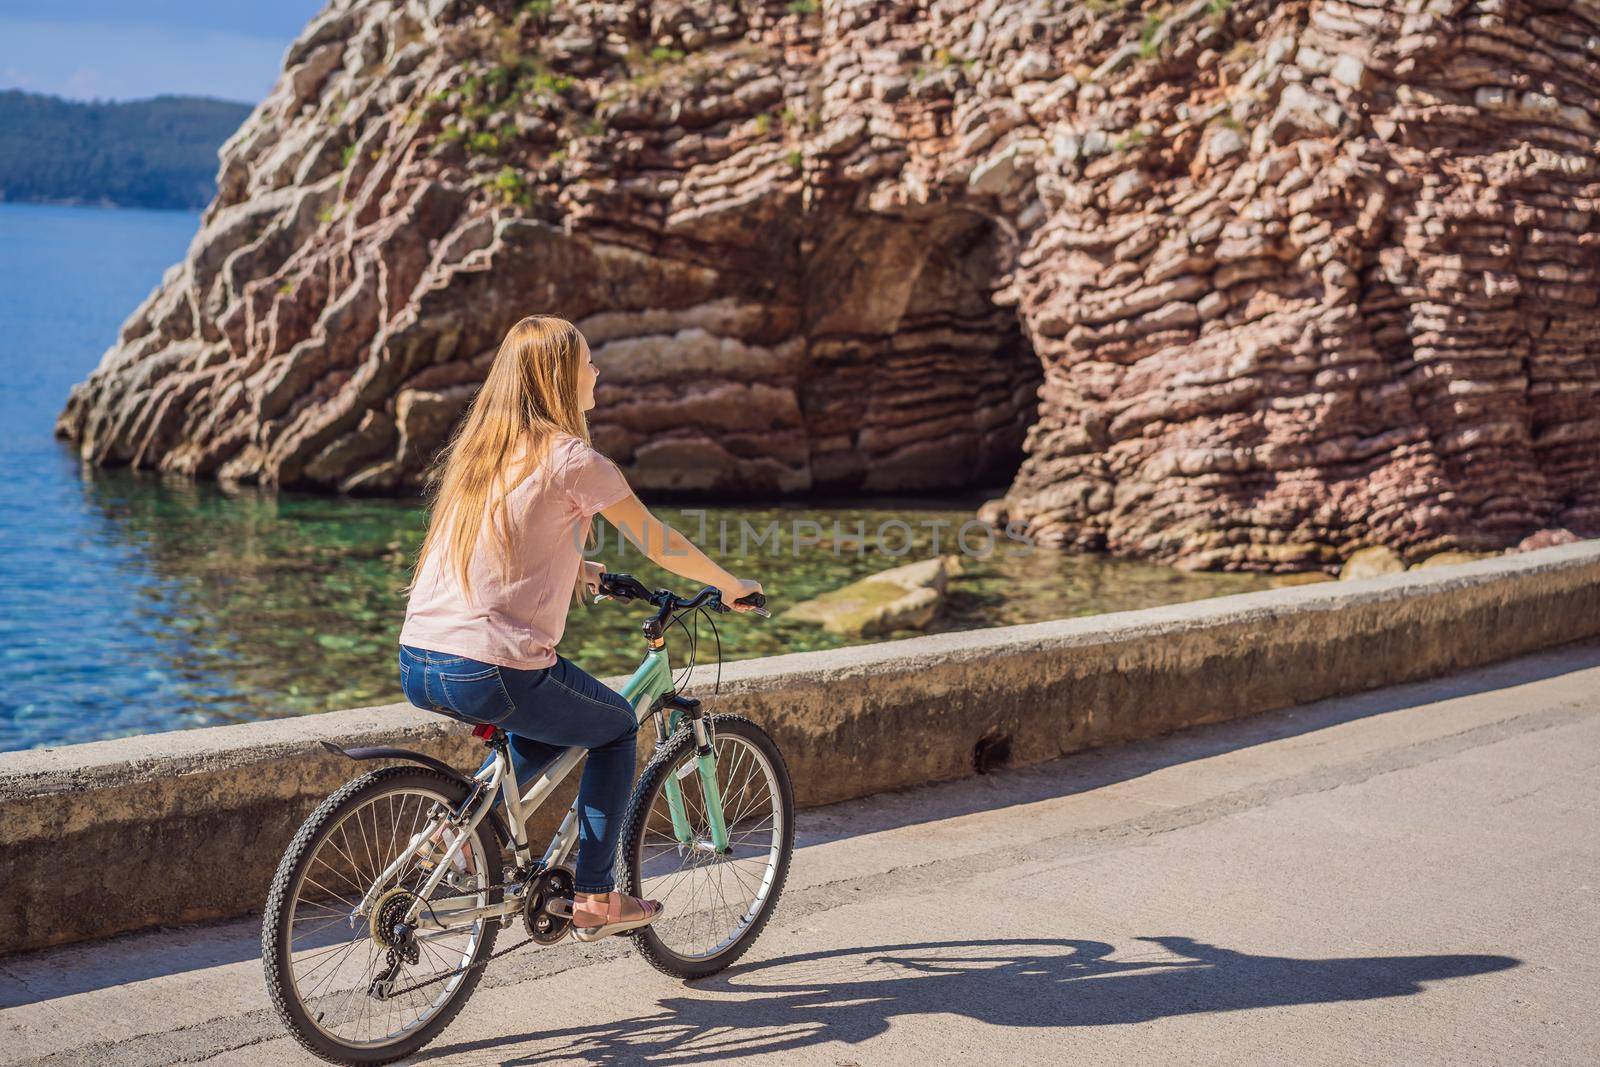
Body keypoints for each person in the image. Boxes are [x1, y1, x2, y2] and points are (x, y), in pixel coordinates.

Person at [396, 314, 763, 941]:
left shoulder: (481, 455)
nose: (595, 371)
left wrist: (573, 567)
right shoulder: (574, 460)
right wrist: (732, 586)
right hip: (493, 668)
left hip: (420, 659)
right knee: (617, 726)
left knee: (545, 733)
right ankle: (595, 896)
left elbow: (500, 543)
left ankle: (453, 837)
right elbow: (658, 542)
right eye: (586, 362)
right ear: (560, 377)